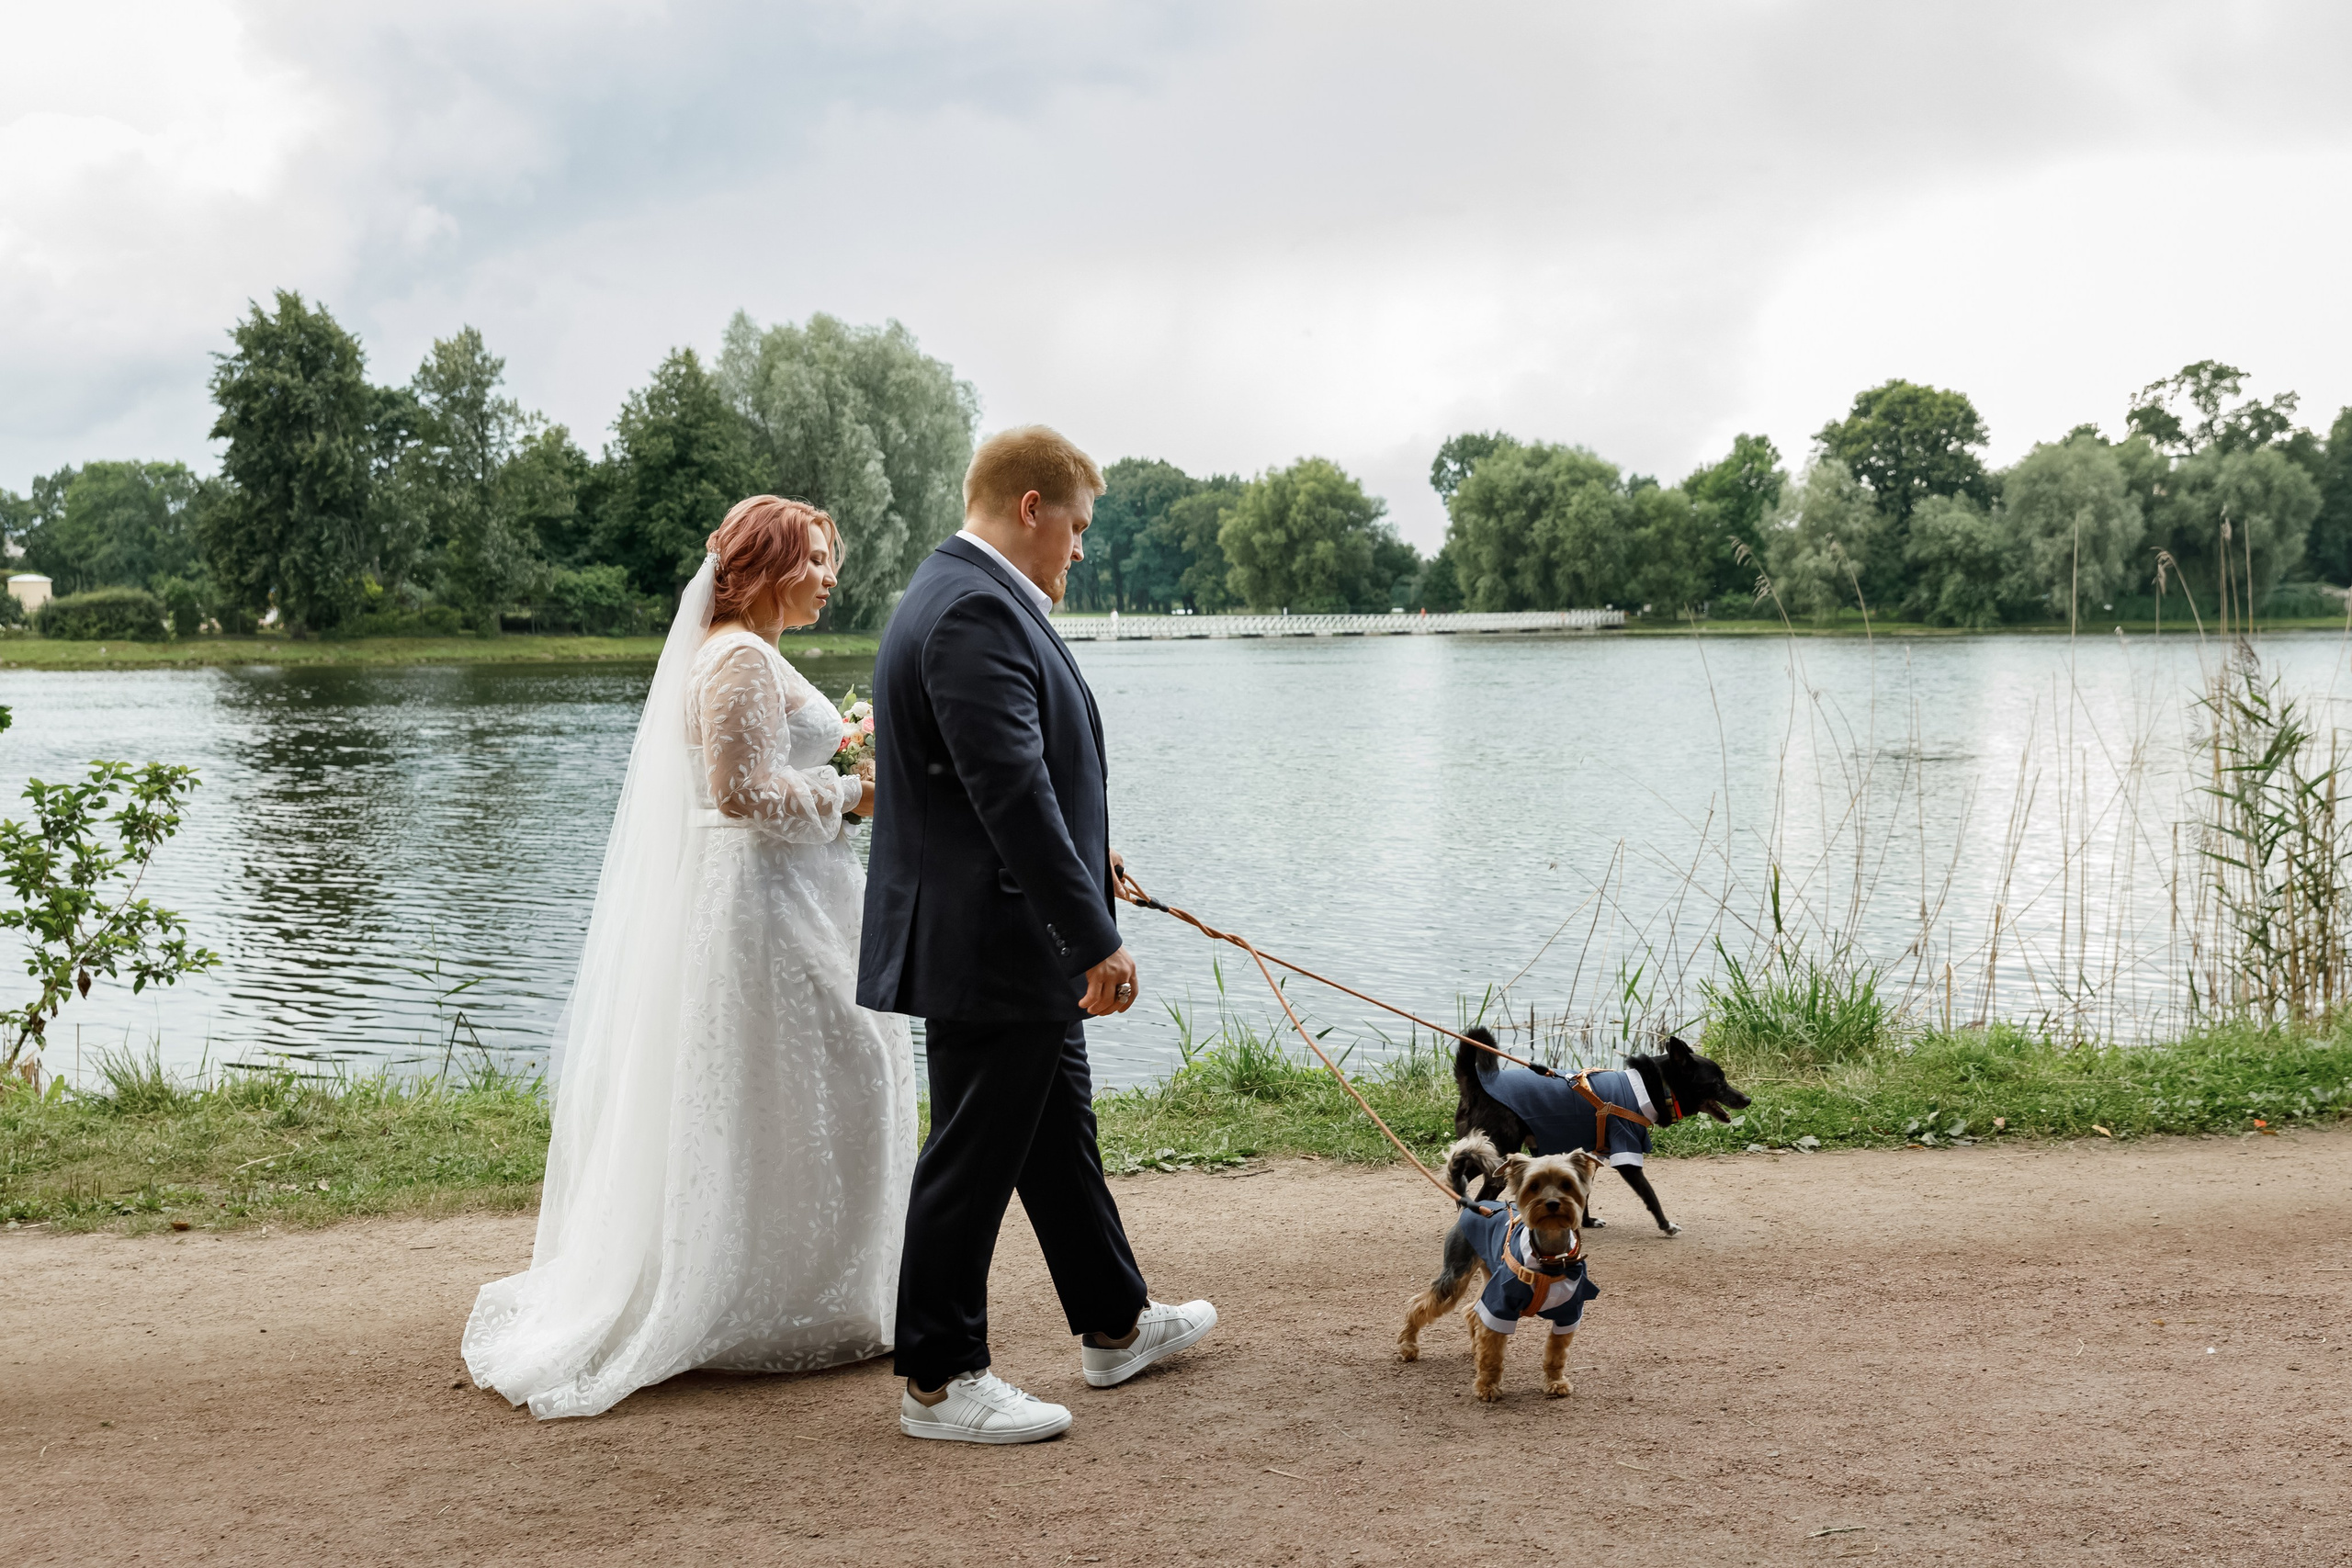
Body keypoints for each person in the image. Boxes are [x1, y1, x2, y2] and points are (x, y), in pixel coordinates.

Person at [463, 497, 917, 1420]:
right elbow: (739, 792)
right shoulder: (738, 657)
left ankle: (812, 1287)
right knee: (833, 1074)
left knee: (798, 1083)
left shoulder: (742, 651)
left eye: (832, 561)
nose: (831, 577)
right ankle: (775, 1302)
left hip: (787, 894)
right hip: (762, 902)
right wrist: (856, 792)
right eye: (817, 559)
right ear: (770, 560)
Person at [859, 424, 1216, 1445]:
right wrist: (1090, 937)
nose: (1080, 547)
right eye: (1079, 526)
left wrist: (1092, 864)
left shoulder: (966, 594)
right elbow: (1006, 787)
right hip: (994, 937)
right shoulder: (972, 606)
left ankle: (1114, 1325)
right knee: (972, 1155)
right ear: (1032, 507)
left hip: (1009, 926)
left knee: (1056, 1141)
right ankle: (938, 1377)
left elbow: (1012, 781)